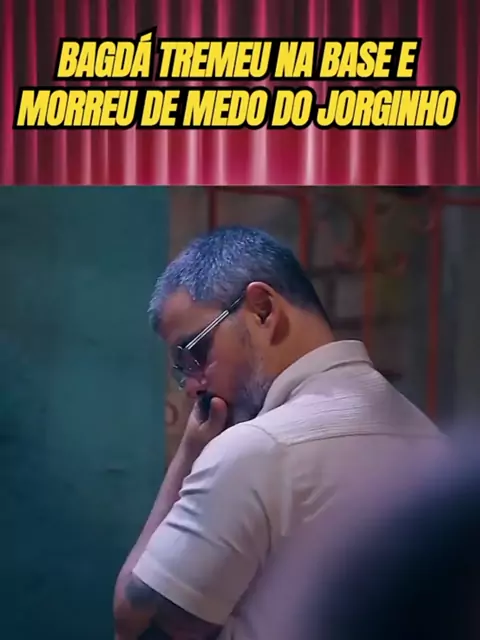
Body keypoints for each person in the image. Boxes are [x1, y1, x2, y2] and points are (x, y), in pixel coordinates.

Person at [113, 226, 446, 640]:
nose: (194, 386)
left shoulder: (253, 453)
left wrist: (189, 455)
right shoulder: (434, 445)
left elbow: (133, 622)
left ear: (263, 310)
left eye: (195, 353)